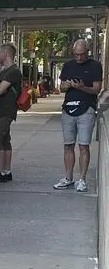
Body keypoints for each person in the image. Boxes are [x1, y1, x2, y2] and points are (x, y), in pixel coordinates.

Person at [54, 39, 103, 192]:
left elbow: (96, 89)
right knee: (68, 145)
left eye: (82, 55)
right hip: (68, 109)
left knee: (83, 146)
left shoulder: (95, 65)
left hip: (86, 109)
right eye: (76, 55)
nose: (79, 58)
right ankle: (68, 178)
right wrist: (68, 85)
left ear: (87, 52)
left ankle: (82, 179)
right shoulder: (68, 65)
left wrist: (82, 87)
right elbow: (61, 87)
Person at [0, 43, 23, 183]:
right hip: (1, 110)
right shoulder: (4, 71)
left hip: (5, 110)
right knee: (4, 140)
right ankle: (6, 171)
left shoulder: (13, 71)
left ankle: (2, 171)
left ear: (5, 54)